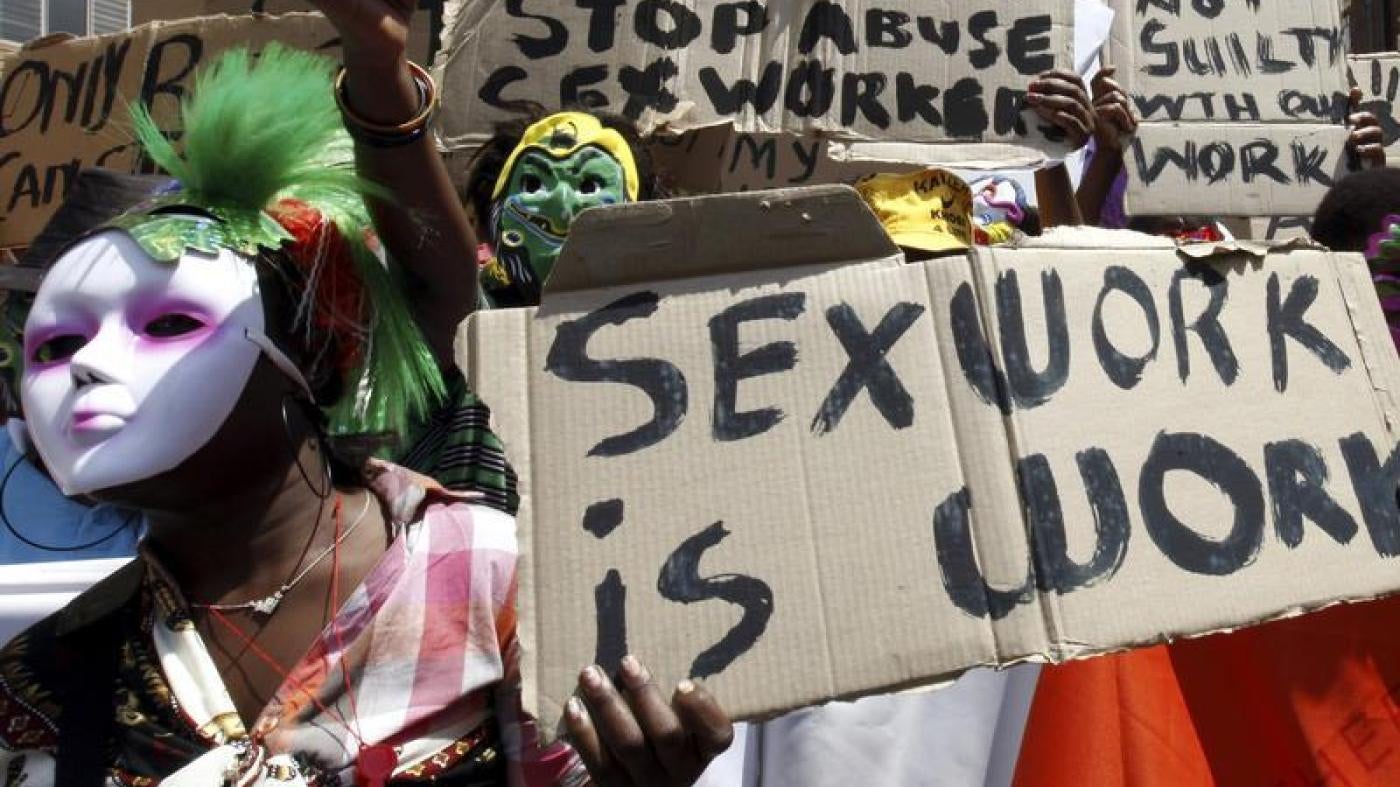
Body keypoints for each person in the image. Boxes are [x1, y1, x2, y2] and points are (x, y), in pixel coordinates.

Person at [0, 45, 731, 785]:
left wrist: (381, 77)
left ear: (316, 345)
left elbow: (432, 279)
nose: (89, 365)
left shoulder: (492, 576)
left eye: (167, 325)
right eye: (55, 344)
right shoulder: (41, 678)